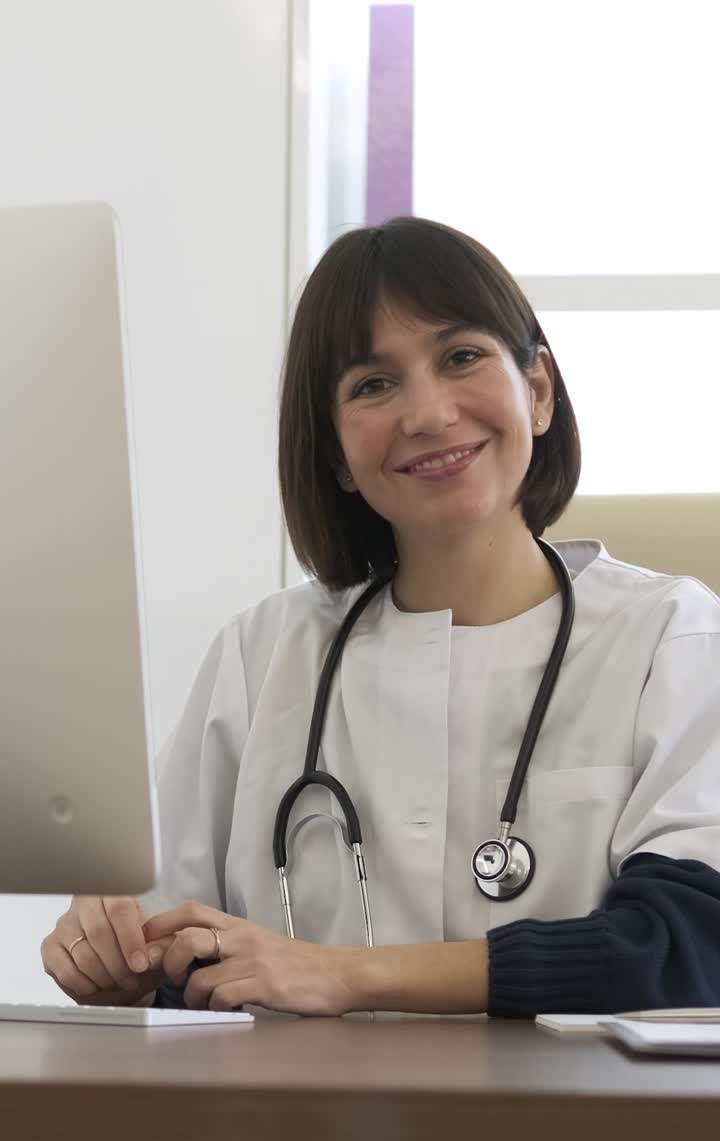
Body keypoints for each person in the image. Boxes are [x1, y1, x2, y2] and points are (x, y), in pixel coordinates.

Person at [42, 216, 720, 1017]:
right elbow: (177, 950)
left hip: (573, 1137)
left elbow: (688, 946)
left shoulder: (670, 638)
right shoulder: (264, 656)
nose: (428, 414)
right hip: (298, 1135)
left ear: (537, 391)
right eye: (372, 385)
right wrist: (118, 952)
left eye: (461, 356)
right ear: (336, 457)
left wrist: (343, 973)